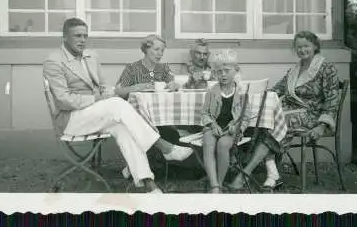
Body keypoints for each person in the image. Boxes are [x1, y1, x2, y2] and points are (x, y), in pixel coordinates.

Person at [43, 18, 193, 193]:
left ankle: (147, 183)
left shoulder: (91, 56)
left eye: (85, 36)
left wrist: (107, 92)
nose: (82, 40)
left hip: (94, 114)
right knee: (117, 104)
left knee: (124, 127)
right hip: (70, 119)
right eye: (77, 36)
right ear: (65, 37)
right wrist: (98, 98)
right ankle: (164, 147)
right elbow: (63, 100)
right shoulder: (54, 61)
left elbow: (102, 85)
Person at [229, 30, 341, 191]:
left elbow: (332, 100)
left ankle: (245, 174)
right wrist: (256, 97)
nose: (302, 50)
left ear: (315, 46)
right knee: (263, 118)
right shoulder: (294, 70)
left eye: (306, 46)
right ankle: (273, 174)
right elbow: (276, 90)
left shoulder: (326, 69)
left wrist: (321, 126)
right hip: (288, 111)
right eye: (299, 47)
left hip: (311, 115)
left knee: (275, 123)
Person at [114, 35, 194, 151]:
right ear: (146, 49)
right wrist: (137, 87)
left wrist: (174, 85)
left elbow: (173, 83)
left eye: (162, 50)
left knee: (172, 134)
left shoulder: (164, 68)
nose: (160, 54)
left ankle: (164, 164)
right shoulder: (131, 69)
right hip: (137, 118)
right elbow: (119, 91)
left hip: (160, 118)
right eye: (156, 50)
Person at [201, 50, 250, 193]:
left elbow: (245, 117)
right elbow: (204, 113)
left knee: (223, 144)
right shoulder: (212, 91)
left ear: (236, 70)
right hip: (214, 126)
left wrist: (237, 126)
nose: (222, 74)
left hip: (231, 130)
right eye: (218, 71)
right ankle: (214, 185)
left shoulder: (241, 92)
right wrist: (212, 124)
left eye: (226, 70)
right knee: (208, 142)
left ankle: (220, 183)